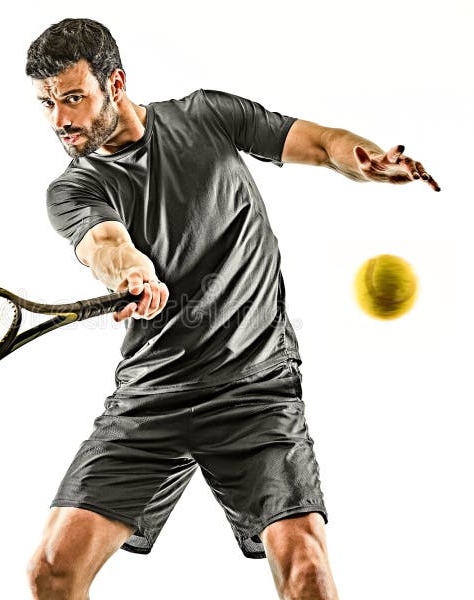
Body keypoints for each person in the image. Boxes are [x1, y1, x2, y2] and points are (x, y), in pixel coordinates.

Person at [24, 18, 439, 600]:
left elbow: (321, 143)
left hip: (255, 389)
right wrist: (134, 270)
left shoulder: (206, 116)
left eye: (73, 98)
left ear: (115, 83)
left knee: (309, 572)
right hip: (153, 396)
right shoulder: (73, 189)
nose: (60, 120)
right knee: (51, 570)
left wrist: (364, 159)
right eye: (46, 103)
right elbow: (106, 244)